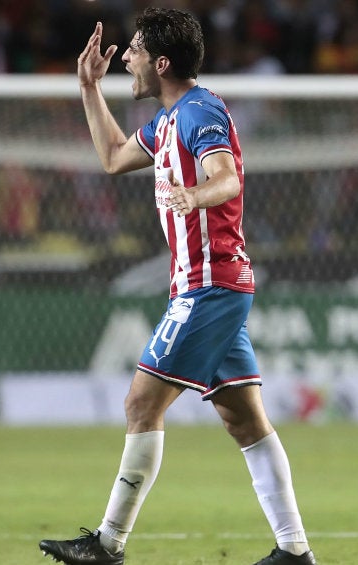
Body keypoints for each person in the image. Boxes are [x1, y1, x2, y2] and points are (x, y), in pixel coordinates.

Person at [38, 9, 316, 565]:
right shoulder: (167, 121)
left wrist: (197, 196)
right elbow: (115, 158)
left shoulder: (199, 111)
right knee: (244, 420)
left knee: (142, 402)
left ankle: (108, 543)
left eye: (136, 51)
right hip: (210, 284)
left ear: (162, 62)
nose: (129, 60)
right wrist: (88, 87)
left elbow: (228, 176)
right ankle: (294, 551)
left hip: (208, 284)